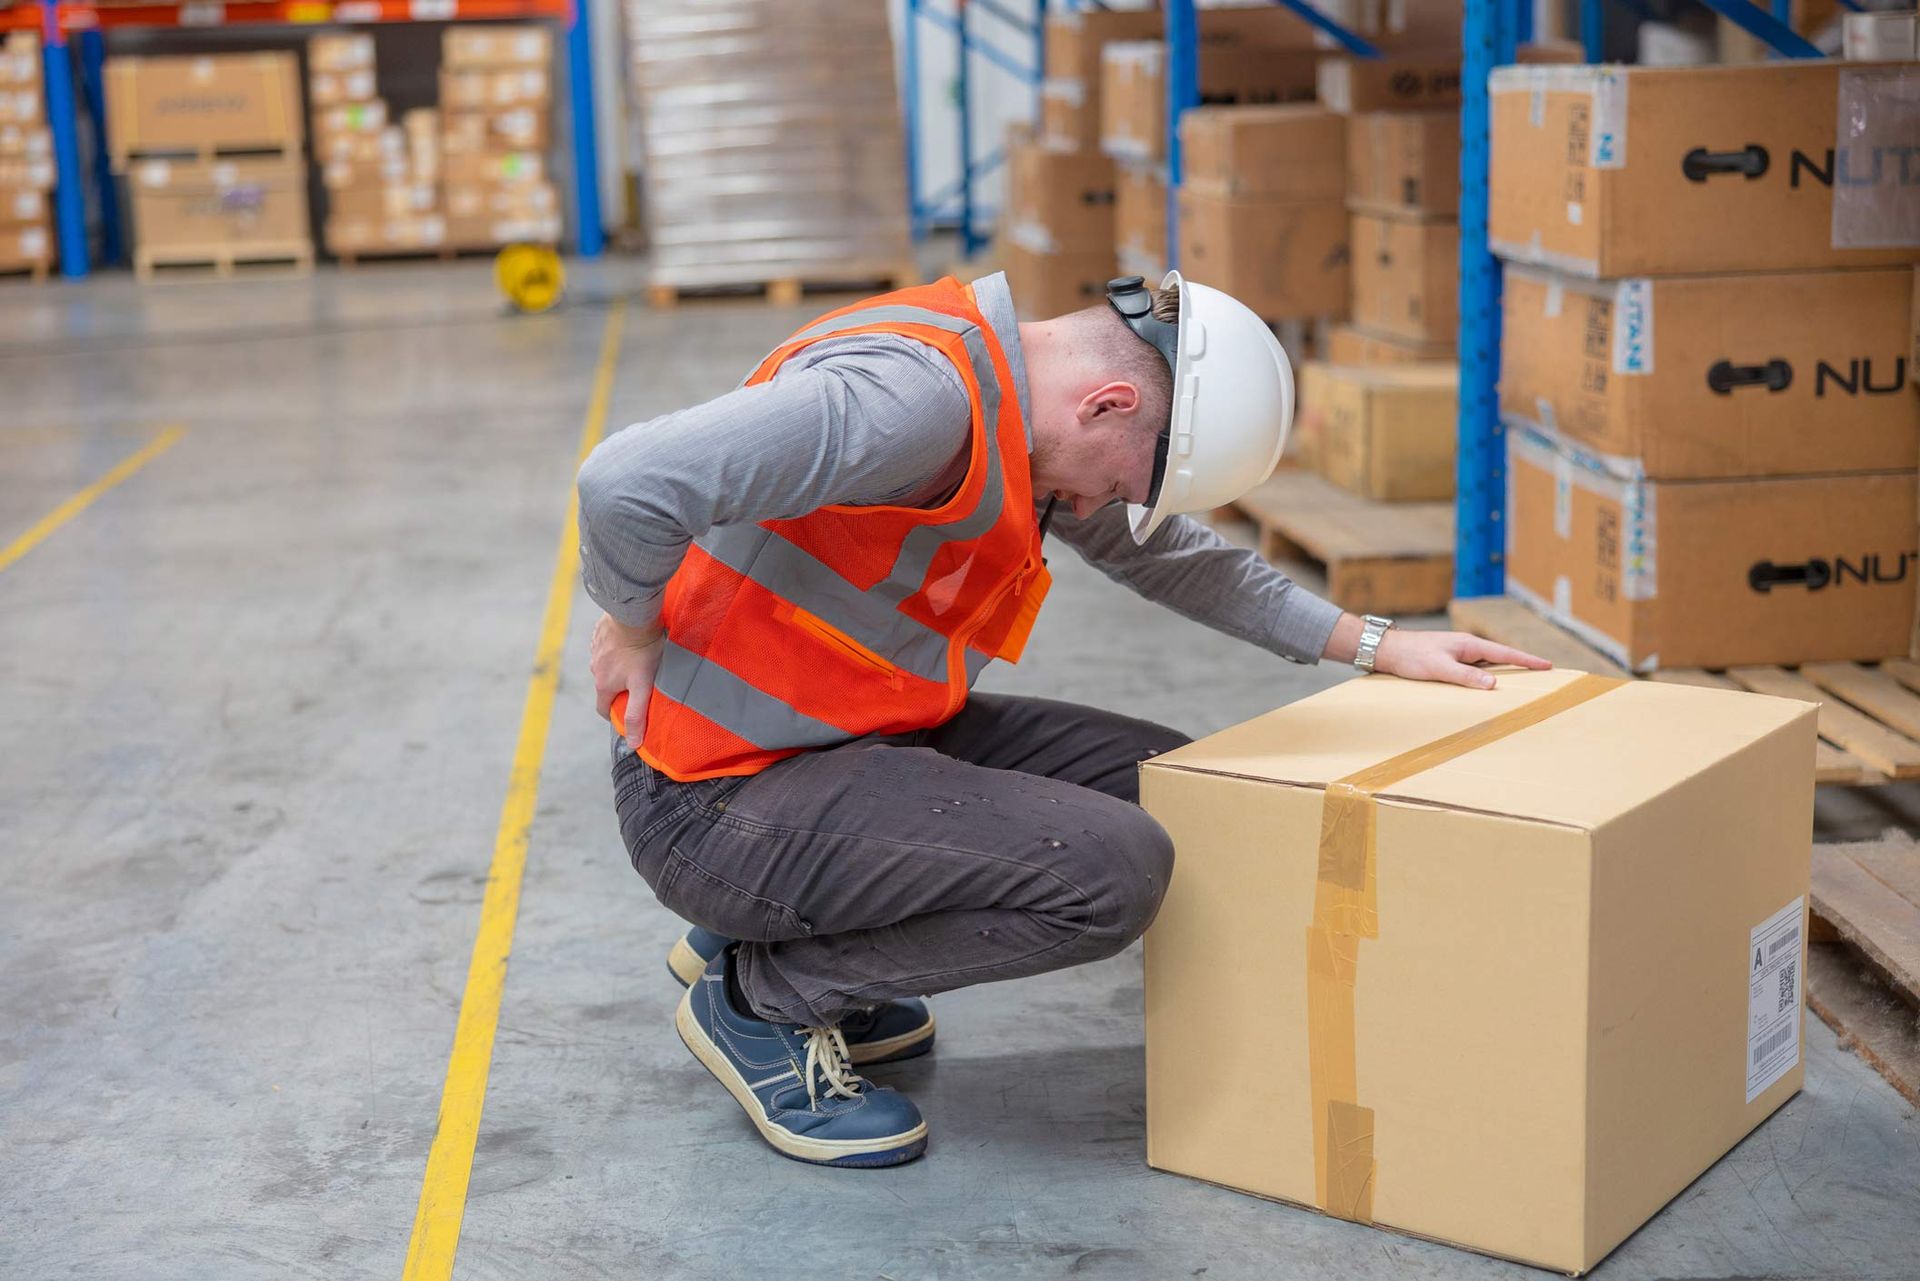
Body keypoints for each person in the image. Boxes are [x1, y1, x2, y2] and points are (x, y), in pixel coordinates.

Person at [576, 271, 1548, 1169]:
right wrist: (634, 626)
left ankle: (792, 939)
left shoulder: (1023, 420)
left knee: (1178, 791)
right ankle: (763, 998)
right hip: (714, 797)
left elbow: (1169, 558)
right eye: (1128, 483)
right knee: (1107, 873)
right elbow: (626, 484)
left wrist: (1376, 645)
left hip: (843, 743)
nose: (1112, 505)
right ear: (1111, 404)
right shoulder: (920, 403)